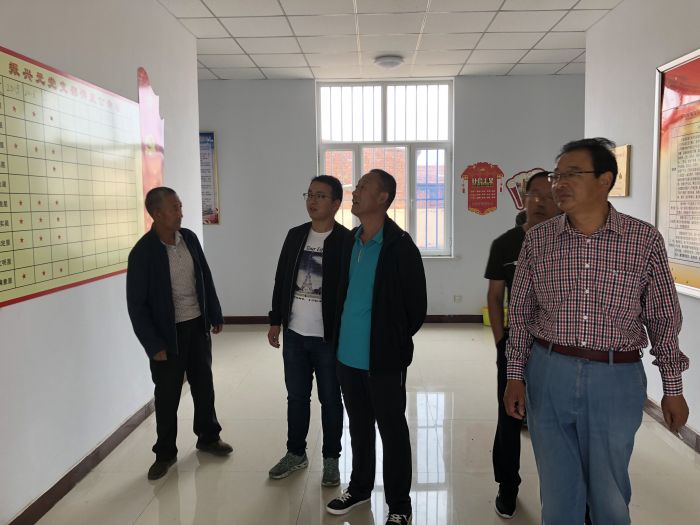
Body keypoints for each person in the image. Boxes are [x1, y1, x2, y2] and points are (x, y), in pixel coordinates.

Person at [504, 138, 690, 524]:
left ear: (605, 180)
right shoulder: (538, 240)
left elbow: (662, 318)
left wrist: (672, 389)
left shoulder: (643, 239)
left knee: (609, 494)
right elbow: (520, 313)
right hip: (549, 371)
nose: (559, 184)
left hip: (616, 377)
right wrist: (515, 376)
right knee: (558, 495)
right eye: (556, 175)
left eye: (572, 174)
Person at [325, 169, 427, 525]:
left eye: (363, 187)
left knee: (392, 430)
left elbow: (416, 309)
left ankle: (399, 505)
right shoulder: (348, 242)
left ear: (383, 198)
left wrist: (391, 342)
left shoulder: (400, 247)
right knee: (359, 426)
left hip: (383, 360)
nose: (355, 192)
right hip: (346, 356)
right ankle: (359, 488)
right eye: (357, 186)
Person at [127, 187, 232, 481]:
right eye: (174, 208)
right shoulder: (143, 253)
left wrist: (214, 313)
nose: (180, 213)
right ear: (157, 213)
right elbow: (137, 306)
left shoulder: (190, 239)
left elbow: (205, 277)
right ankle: (164, 453)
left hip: (196, 326)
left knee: (204, 386)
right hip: (166, 335)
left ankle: (209, 437)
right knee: (167, 396)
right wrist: (153, 344)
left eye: (180, 206)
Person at [484, 171, 560, 519]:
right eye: (534, 195)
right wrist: (501, 342)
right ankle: (507, 485)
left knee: (555, 421)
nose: (541, 202)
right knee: (508, 417)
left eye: (550, 195)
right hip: (516, 346)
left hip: (558, 350)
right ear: (523, 199)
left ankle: (561, 490)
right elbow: (495, 295)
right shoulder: (505, 243)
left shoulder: (569, 242)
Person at [267, 175, 350, 487]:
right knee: (297, 397)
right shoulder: (295, 235)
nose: (312, 201)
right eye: (310, 194)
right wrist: (275, 320)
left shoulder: (346, 241)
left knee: (331, 399)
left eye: (321, 196)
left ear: (336, 203)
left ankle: (331, 459)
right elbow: (281, 279)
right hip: (295, 335)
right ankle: (295, 453)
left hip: (328, 338)